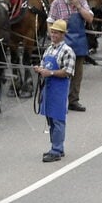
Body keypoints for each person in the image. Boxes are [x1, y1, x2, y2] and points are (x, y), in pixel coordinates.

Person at [47, 0, 94, 112]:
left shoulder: (82, 1)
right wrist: (53, 36)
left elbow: (90, 18)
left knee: (77, 74)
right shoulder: (57, 3)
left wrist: (78, 6)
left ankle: (73, 100)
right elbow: (50, 22)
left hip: (78, 41)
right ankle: (59, 101)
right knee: (61, 72)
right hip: (62, 42)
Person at [34, 20, 75, 163]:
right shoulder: (49, 49)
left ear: (63, 34)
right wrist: (39, 69)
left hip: (59, 89)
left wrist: (49, 73)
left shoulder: (68, 51)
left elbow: (67, 72)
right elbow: (43, 63)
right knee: (50, 118)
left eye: (56, 33)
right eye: (52, 32)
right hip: (48, 88)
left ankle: (56, 150)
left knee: (58, 119)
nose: (53, 35)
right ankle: (57, 146)